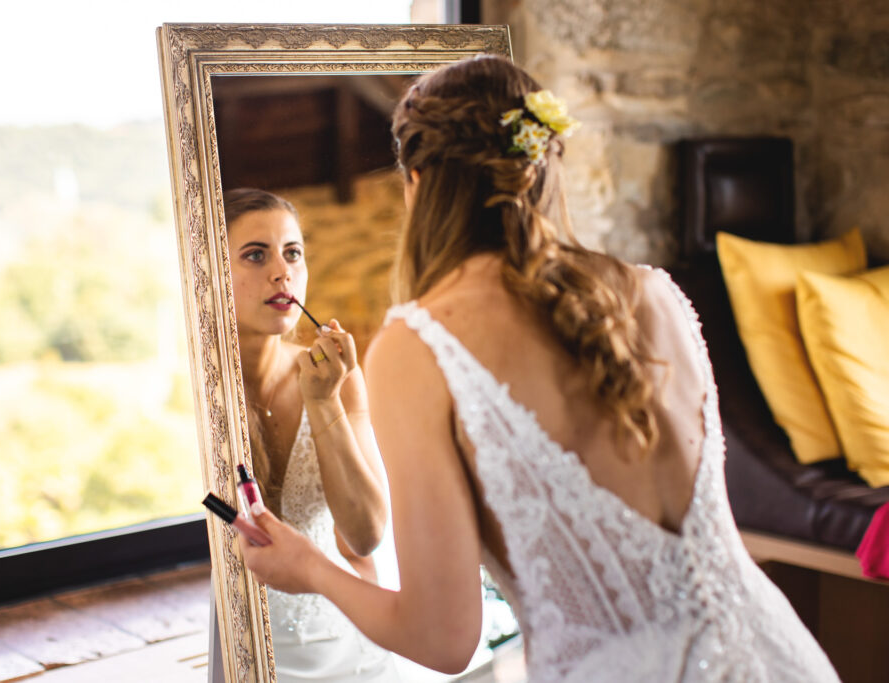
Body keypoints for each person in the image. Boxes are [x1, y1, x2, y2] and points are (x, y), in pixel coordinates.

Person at [238, 56, 841, 682]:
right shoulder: (654, 293)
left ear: (418, 182)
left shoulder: (419, 344)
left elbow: (440, 640)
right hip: (779, 654)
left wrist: (308, 568)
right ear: (539, 160)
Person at [224, 188, 399, 681]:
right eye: (256, 255)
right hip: (239, 646)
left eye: (293, 253)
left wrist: (323, 402)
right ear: (212, 272)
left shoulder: (333, 380)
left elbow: (365, 536)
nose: (282, 272)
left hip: (340, 644)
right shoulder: (202, 396)